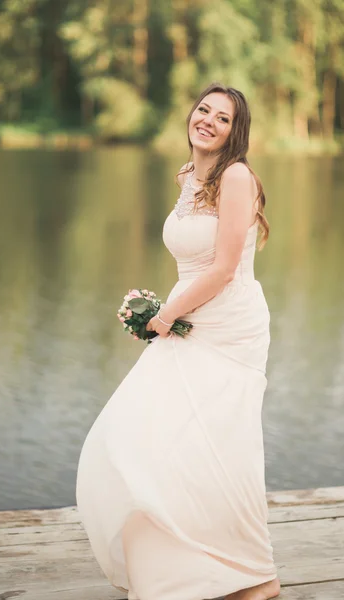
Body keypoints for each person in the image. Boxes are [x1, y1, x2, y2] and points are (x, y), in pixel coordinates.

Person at [76, 82, 280, 600]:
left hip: (228, 324)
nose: (209, 120)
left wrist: (164, 315)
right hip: (189, 315)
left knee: (220, 446)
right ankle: (177, 569)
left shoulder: (236, 176)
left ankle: (255, 575)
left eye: (224, 118)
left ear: (237, 133)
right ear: (191, 115)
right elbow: (191, 257)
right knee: (138, 435)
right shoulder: (189, 176)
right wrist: (160, 308)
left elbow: (225, 267)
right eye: (204, 109)